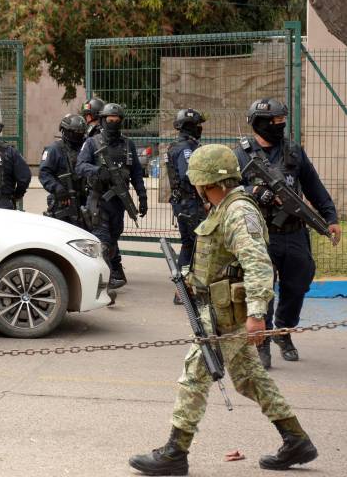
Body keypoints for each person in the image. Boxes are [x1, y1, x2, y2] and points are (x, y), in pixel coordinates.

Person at [129, 144, 318, 476]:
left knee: (193, 377)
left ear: (208, 181)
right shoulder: (223, 208)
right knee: (249, 379)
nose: (195, 188)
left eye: (197, 182)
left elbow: (258, 264)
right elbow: (220, 262)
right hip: (217, 309)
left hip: (225, 315)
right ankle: (296, 439)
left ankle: (175, 452)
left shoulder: (237, 212)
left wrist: (258, 314)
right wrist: (190, 278)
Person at [234, 97, 340, 369]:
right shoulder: (241, 154)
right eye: (274, 122)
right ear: (258, 123)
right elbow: (226, 190)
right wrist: (254, 191)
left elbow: (314, 186)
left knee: (299, 283)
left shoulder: (293, 151)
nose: (279, 126)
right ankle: (264, 341)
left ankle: (284, 330)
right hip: (260, 235)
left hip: (294, 233)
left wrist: (330, 217)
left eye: (282, 121)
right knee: (263, 288)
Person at [76, 103, 147, 290]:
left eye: (117, 121)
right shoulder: (92, 142)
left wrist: (142, 196)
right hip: (98, 200)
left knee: (113, 238)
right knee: (103, 242)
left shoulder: (127, 144)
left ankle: (114, 273)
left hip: (118, 202)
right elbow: (80, 166)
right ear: (102, 120)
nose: (113, 123)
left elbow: (137, 173)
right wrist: (98, 170)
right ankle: (102, 284)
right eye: (110, 120)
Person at [166, 108, 207, 304]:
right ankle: (187, 290)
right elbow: (190, 176)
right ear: (190, 126)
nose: (200, 128)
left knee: (188, 245)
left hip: (182, 203)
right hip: (191, 204)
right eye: (198, 125)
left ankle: (182, 290)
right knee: (198, 246)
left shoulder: (177, 146)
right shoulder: (186, 148)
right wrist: (206, 200)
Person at [39, 113, 88, 226]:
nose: (78, 135)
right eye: (75, 132)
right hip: (62, 200)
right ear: (65, 130)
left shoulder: (86, 147)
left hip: (84, 200)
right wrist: (58, 189)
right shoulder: (54, 149)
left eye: (81, 132)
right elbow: (44, 173)